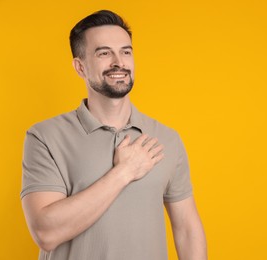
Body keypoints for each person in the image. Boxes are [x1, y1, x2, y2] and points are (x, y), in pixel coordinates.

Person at [21, 10, 207, 260]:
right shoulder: (45, 136)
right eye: (104, 53)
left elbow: (186, 228)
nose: (118, 62)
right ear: (80, 66)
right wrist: (124, 172)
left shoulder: (167, 139)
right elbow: (46, 232)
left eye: (126, 51)